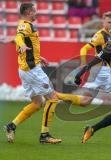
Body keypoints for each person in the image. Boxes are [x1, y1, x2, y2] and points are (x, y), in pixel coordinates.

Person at [4, 3, 90, 144]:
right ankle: (44, 135)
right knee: (52, 98)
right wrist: (22, 45)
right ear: (28, 12)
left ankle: (11, 126)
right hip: (32, 71)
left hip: (25, 70)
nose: (36, 13)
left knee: (37, 103)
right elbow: (19, 37)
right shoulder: (26, 25)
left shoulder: (25, 25)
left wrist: (38, 57)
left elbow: (23, 40)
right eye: (34, 11)